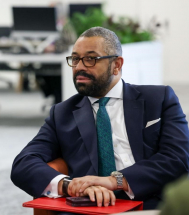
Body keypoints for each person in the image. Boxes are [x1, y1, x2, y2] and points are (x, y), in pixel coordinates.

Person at [11, 26, 189, 211]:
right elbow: (23, 163)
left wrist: (114, 181)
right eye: (75, 59)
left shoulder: (158, 99)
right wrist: (69, 185)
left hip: (151, 204)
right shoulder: (62, 113)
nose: (79, 67)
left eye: (90, 59)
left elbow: (178, 158)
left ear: (117, 65)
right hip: (90, 208)